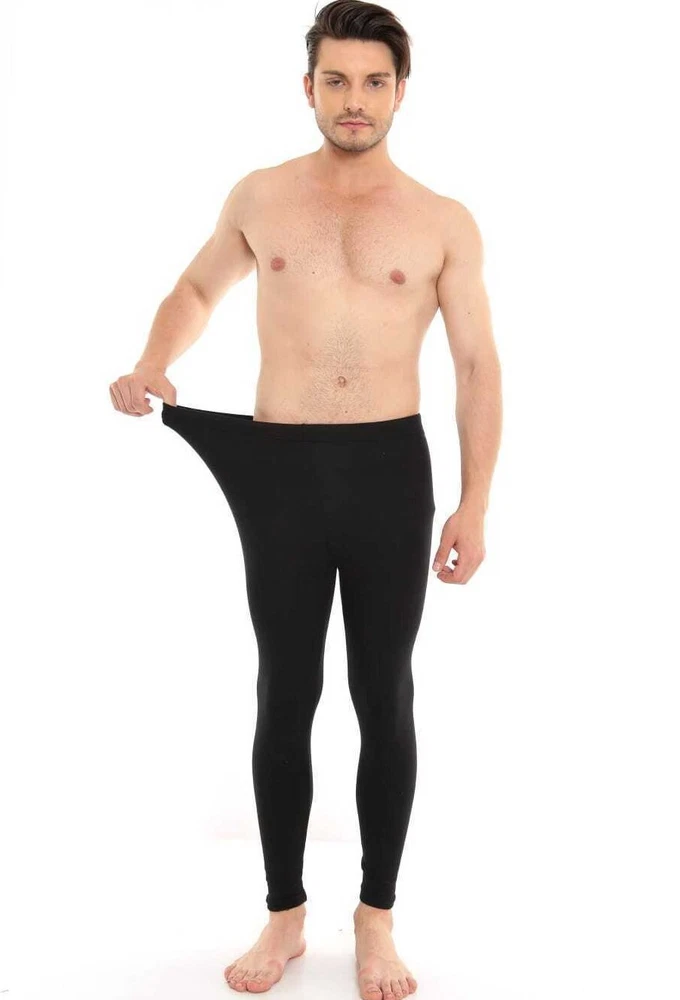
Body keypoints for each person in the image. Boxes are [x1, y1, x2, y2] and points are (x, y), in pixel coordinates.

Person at [109, 1, 502, 996]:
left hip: (388, 472)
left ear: (400, 92)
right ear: (308, 87)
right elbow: (197, 289)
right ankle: (283, 913)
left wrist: (473, 501)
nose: (354, 99)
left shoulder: (442, 220)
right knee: (284, 690)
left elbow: (474, 364)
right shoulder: (262, 195)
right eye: (336, 80)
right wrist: (155, 359)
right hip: (278, 473)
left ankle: (376, 918)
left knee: (384, 692)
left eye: (373, 82)